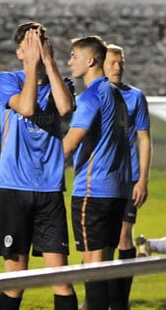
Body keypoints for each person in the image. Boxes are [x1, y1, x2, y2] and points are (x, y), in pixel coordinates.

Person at [0, 22, 78, 310]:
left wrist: (49, 62)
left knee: (62, 279)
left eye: (43, 41)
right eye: (31, 43)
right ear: (20, 52)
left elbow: (66, 108)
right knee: (15, 281)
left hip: (49, 189)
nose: (38, 47)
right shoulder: (7, 80)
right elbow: (27, 108)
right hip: (13, 188)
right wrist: (31, 66)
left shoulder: (62, 83)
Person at [63, 36, 131, 310]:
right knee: (103, 265)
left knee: (91, 268)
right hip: (116, 191)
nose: (69, 62)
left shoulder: (92, 95)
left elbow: (71, 141)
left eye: (73, 56)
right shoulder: (116, 93)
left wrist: (41, 168)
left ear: (90, 60)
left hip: (93, 191)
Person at [103, 44, 152, 307]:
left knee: (123, 236)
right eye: (112, 62)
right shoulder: (94, 96)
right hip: (100, 181)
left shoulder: (135, 96)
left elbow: (144, 139)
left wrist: (142, 179)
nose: (118, 67)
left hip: (128, 180)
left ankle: (120, 301)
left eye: (121, 62)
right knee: (103, 242)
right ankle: (100, 298)